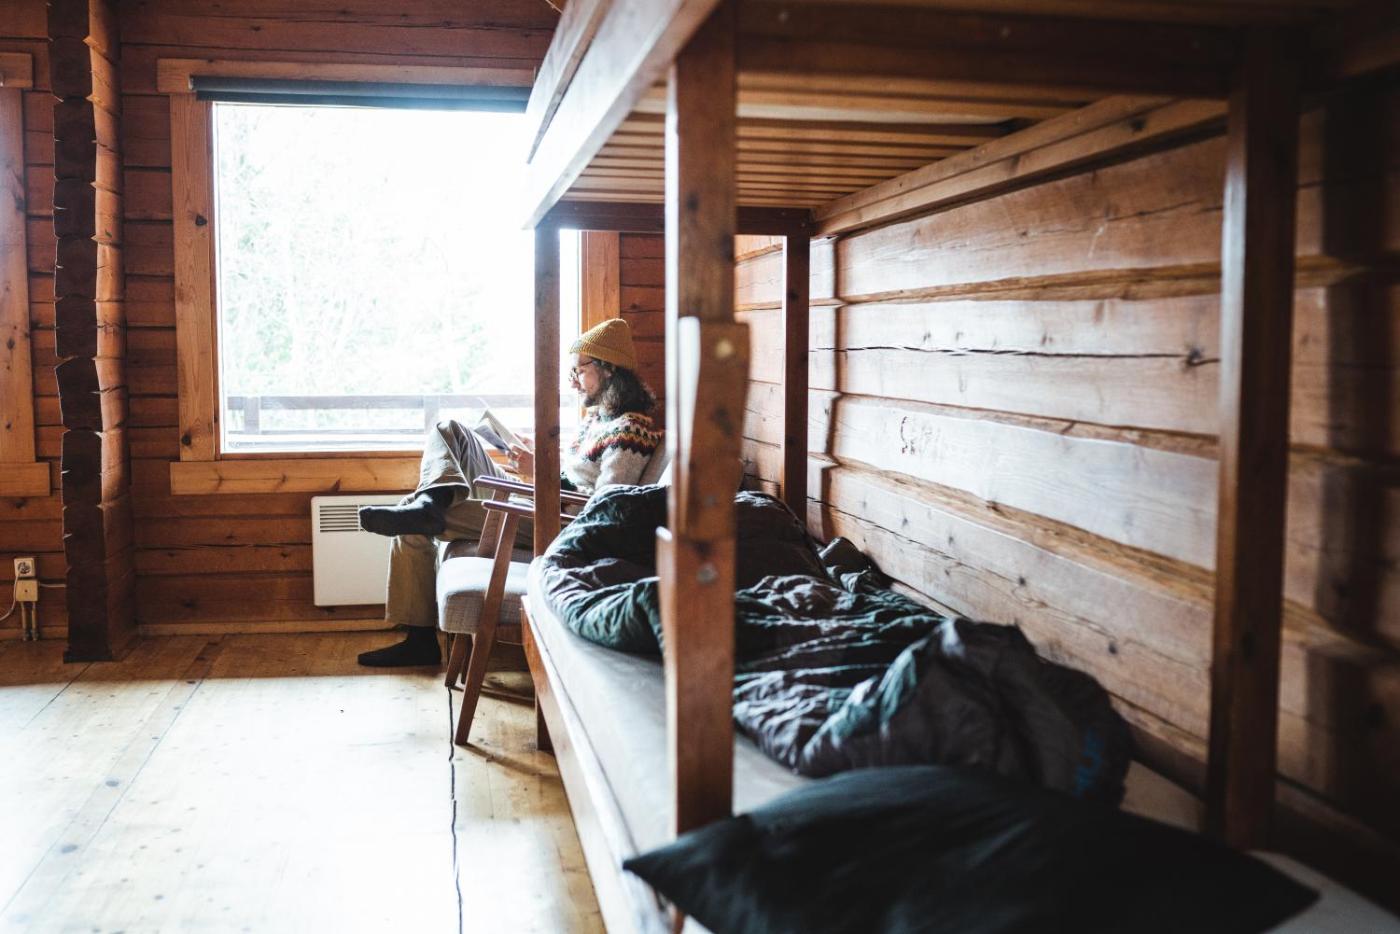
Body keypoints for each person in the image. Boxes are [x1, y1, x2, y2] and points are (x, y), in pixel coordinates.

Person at [355, 318, 662, 667]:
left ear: (609, 369)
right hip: (540, 498)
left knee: (410, 517)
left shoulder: (631, 431)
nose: (573, 381)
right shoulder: (597, 420)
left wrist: (541, 473)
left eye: (579, 370)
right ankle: (431, 503)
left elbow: (605, 508)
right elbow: (576, 476)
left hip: (560, 522)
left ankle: (420, 638)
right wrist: (538, 461)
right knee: (449, 430)